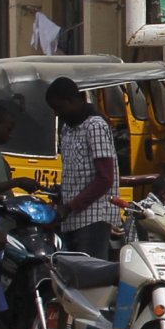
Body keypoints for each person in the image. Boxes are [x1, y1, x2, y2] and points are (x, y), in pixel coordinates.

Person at [46, 77, 121, 261]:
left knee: (90, 278)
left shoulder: (95, 126)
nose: (58, 114)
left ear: (72, 101)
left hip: (93, 218)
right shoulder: (67, 130)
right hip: (72, 220)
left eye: (59, 108)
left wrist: (70, 206)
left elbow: (105, 179)